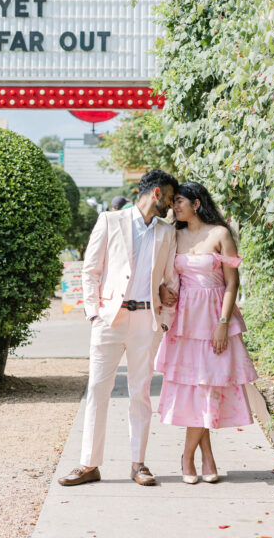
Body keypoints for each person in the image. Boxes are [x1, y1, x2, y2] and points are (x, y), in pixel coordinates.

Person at [58, 168, 179, 488]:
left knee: (141, 393)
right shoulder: (110, 221)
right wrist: (94, 313)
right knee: (98, 390)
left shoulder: (167, 233)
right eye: (169, 198)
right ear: (156, 193)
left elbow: (171, 280)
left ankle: (138, 463)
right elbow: (90, 270)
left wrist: (164, 320)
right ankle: (89, 464)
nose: (171, 205)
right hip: (109, 319)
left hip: (147, 322)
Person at [155, 181, 258, 484]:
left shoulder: (220, 234)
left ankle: (188, 456)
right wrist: (162, 290)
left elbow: (232, 283)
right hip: (184, 322)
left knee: (209, 387)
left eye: (179, 201)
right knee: (195, 389)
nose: (174, 207)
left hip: (214, 317)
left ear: (196, 203)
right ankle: (206, 457)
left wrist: (223, 324)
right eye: (173, 202)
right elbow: (160, 272)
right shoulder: (173, 235)